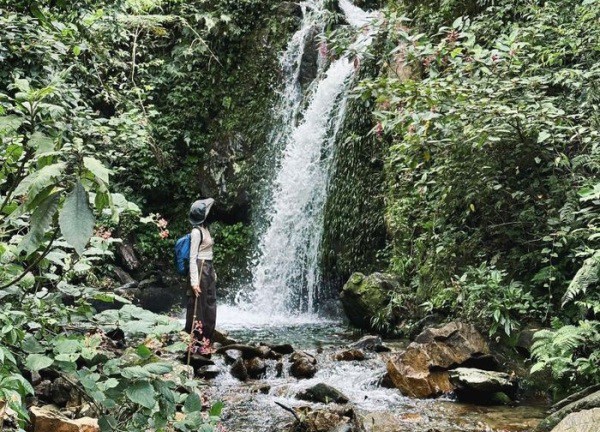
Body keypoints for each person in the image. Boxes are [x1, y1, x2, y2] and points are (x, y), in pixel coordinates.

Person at [185, 198, 217, 354]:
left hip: (208, 267)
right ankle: (195, 344)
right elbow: (193, 257)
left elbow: (209, 253)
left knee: (210, 304)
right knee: (199, 306)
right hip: (200, 267)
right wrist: (194, 282)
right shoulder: (196, 232)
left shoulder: (205, 229)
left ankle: (207, 341)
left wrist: (213, 272)